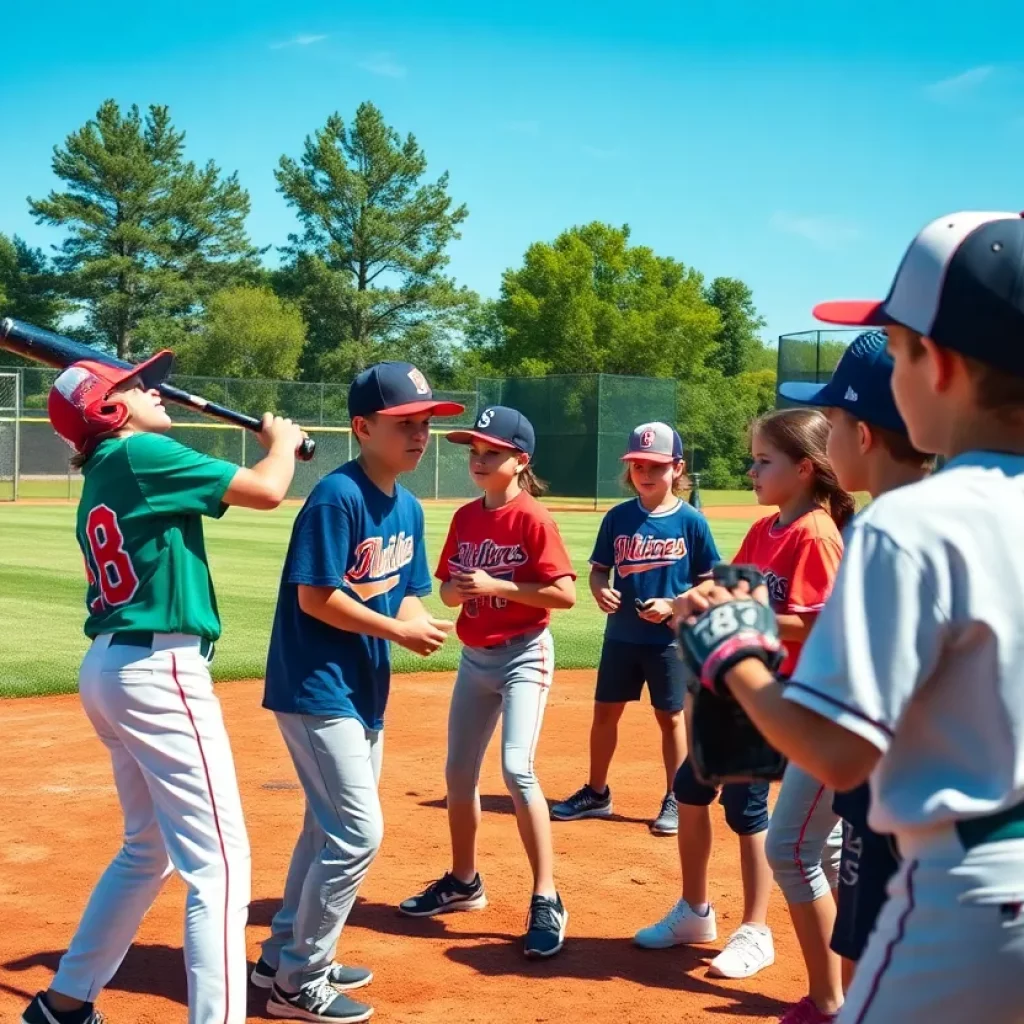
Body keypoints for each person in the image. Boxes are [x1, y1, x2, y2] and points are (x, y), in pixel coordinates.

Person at [676, 210, 1024, 1023]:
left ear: (935, 365)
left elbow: (837, 752)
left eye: (897, 349)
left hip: (967, 902)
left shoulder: (915, 522)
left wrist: (737, 660)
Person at [21, 354, 307, 1024]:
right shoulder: (143, 452)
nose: (153, 388)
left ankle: (64, 1003)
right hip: (159, 671)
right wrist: (285, 446)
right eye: (134, 385)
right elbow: (267, 491)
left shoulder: (108, 468)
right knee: (222, 866)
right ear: (110, 410)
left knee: (148, 849)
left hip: (116, 668)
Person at [256, 362, 461, 1023]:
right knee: (356, 833)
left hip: (362, 687)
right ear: (362, 427)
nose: (420, 433)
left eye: (425, 422)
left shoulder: (406, 505)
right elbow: (316, 598)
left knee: (326, 827)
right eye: (405, 423)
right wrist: (397, 634)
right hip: (315, 684)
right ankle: (299, 982)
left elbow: (404, 593)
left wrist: (413, 621)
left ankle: (283, 952)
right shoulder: (336, 497)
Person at [635, 408, 851, 982]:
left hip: (782, 700)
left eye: (763, 460)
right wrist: (691, 597)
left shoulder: (816, 534)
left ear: (805, 468)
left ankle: (756, 930)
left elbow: (817, 624)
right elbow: (731, 584)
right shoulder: (768, 528)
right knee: (689, 789)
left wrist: (742, 615)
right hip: (742, 694)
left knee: (749, 811)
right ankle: (695, 912)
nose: (751, 471)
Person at [771, 330, 934, 1022]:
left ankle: (840, 998)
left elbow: (841, 741)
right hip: (942, 813)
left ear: (863, 434)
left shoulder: (888, 532)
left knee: (800, 850)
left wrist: (735, 656)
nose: (825, 432)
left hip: (894, 794)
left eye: (832, 420)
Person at [398, 406, 576, 958]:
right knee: (457, 773)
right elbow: (448, 592)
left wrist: (498, 582)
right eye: (474, 451)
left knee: (517, 768)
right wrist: (464, 590)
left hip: (525, 654)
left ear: (520, 461)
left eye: (491, 453)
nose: (478, 460)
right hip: (476, 658)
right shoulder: (465, 518)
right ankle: (464, 880)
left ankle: (547, 896)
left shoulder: (534, 519)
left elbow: (565, 595)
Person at [550, 422, 719, 836]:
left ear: (677, 468)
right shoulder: (618, 517)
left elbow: (711, 582)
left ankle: (675, 797)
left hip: (669, 640)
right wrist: (600, 592)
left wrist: (674, 604)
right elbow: (598, 572)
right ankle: (597, 791)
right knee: (605, 712)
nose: (645, 473)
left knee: (671, 718)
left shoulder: (691, 522)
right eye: (638, 465)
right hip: (621, 637)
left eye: (656, 466)